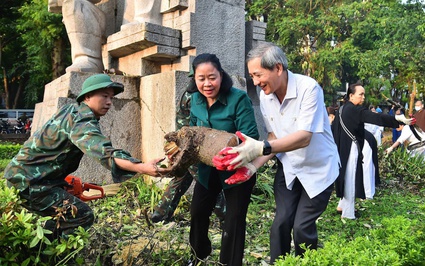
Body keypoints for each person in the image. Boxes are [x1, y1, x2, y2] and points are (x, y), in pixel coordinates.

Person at [3, 74, 169, 240]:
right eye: (104, 96)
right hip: (29, 183)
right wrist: (141, 167)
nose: (110, 102)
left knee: (63, 215)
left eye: (111, 97)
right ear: (88, 96)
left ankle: (44, 248)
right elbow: (104, 152)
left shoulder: (71, 110)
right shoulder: (81, 119)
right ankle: (56, 254)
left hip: (24, 176)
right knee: (82, 215)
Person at [218, 42, 341, 262]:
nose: (255, 82)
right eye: (252, 76)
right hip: (290, 167)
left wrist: (260, 147)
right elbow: (274, 138)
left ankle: (306, 262)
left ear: (278, 68)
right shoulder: (266, 97)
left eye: (258, 75)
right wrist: (252, 166)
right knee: (280, 224)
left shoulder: (309, 89)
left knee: (302, 227)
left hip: (319, 168)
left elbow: (304, 137)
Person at [187, 53, 259, 266]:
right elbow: (193, 131)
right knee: (198, 212)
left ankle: (229, 263)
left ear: (221, 75)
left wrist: (229, 148)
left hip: (237, 170)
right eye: (201, 78)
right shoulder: (195, 100)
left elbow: (250, 136)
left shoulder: (238, 99)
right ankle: (199, 256)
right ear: (195, 79)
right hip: (207, 170)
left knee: (233, 222)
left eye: (212, 77)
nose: (207, 83)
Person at [332, 83, 413, 219]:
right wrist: (397, 119)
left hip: (343, 147)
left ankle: (342, 206)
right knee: (351, 179)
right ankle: (348, 214)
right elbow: (375, 117)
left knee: (347, 176)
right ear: (351, 95)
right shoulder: (354, 110)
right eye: (360, 94)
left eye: (364, 94)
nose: (363, 97)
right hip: (350, 147)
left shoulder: (342, 109)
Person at [151, 87, 226, 223]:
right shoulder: (196, 97)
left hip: (185, 144)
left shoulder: (189, 93)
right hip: (192, 147)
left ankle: (160, 214)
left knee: (181, 179)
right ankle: (226, 218)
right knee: (208, 182)